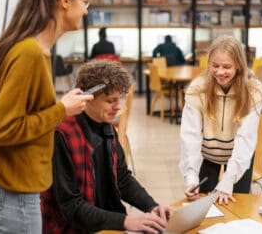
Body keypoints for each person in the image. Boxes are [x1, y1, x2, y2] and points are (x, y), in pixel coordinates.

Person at [0, 0, 94, 233]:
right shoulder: (30, 53)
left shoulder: (32, 50)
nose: (86, 10)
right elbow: (2, 128)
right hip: (15, 194)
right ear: (65, 0)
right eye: (85, 1)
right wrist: (61, 110)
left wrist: (60, 106)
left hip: (16, 188)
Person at [41, 59, 172, 234]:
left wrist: (152, 206)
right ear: (87, 99)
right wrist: (125, 221)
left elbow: (122, 178)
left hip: (104, 221)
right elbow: (71, 206)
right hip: (73, 229)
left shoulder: (106, 125)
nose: (118, 107)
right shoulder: (62, 135)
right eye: (111, 101)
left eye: (119, 99)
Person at [179, 35, 262, 205]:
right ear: (208, 63)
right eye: (215, 66)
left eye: (227, 66)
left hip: (238, 156)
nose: (220, 72)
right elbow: (190, 136)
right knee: (202, 206)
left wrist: (228, 180)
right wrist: (191, 177)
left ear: (239, 66)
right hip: (207, 155)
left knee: (236, 205)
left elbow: (245, 138)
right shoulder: (197, 89)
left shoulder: (254, 91)